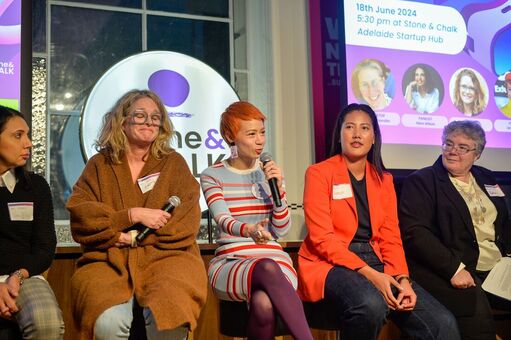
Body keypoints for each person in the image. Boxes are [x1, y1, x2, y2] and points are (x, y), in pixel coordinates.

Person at [298, 103, 460, 340]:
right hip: (330, 261)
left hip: (377, 259)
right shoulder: (319, 173)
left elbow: (390, 237)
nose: (356, 134)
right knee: (371, 304)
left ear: (374, 137)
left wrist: (402, 280)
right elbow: (322, 239)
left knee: (442, 323)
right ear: (340, 134)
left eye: (364, 128)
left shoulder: (384, 180)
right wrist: (373, 276)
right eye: (350, 127)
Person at [66, 90, 207, 339]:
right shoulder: (100, 165)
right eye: (140, 115)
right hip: (108, 260)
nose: (149, 122)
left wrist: (130, 238)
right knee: (107, 322)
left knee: (170, 312)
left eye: (156, 117)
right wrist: (130, 216)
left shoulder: (174, 164)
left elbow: (185, 223)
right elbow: (81, 215)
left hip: (168, 258)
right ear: (122, 120)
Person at [200, 101, 313, 340]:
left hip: (275, 261)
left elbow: (281, 229)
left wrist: (279, 190)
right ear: (231, 136)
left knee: (264, 304)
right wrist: (248, 229)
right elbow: (223, 220)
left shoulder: (270, 173)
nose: (260, 140)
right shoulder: (213, 175)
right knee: (265, 266)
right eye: (251, 134)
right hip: (231, 261)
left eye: (262, 132)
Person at [399, 120, 511, 340]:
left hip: (497, 266)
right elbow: (415, 233)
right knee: (475, 311)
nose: (452, 151)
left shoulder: (486, 177)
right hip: (453, 269)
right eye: (448, 144)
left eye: (462, 147)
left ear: (476, 154)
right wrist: (454, 269)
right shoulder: (422, 181)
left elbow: (504, 221)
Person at [0, 105, 64, 339]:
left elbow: (45, 248)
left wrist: (17, 276)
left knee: (46, 321)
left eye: (27, 135)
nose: (28, 143)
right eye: (18, 136)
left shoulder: (35, 186)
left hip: (23, 276)